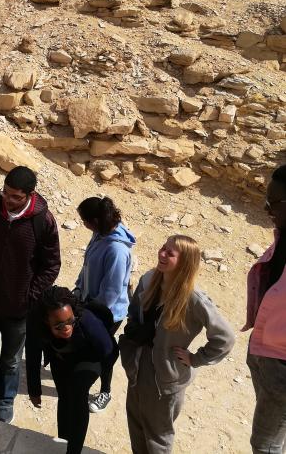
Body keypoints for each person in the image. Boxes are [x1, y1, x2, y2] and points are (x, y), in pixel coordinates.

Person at [0, 166, 61, 423]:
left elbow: (51, 265)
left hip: (19, 309)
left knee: (11, 360)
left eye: (15, 197)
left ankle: (5, 400)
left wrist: (30, 295)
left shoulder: (43, 221)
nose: (8, 200)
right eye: (5, 193)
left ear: (29, 195)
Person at [120, 235, 235, 454]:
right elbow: (134, 314)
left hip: (165, 379)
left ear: (184, 262)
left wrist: (196, 358)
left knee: (157, 438)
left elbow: (225, 338)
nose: (162, 254)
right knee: (136, 426)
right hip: (137, 369)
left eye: (170, 253)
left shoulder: (193, 299)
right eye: (163, 247)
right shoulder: (149, 279)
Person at [26, 286, 114, 454]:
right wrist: (34, 389)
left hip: (90, 357)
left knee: (77, 394)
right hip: (60, 356)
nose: (67, 328)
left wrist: (104, 385)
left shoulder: (86, 320)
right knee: (64, 396)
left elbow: (108, 351)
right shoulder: (35, 324)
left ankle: (74, 451)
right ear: (46, 321)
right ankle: (63, 441)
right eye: (59, 325)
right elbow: (32, 356)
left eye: (70, 321)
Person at [74, 196, 135, 413]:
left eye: (85, 221)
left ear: (96, 221)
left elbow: (111, 291)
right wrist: (78, 289)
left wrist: (89, 310)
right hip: (89, 304)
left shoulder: (117, 250)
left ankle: (105, 391)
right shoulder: (99, 235)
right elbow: (87, 266)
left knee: (103, 349)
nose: (84, 225)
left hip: (108, 312)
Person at [243, 164, 286, 454]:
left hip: (281, 365)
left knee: (265, 445)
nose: (267, 209)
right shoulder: (283, 237)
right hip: (264, 352)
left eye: (274, 203)